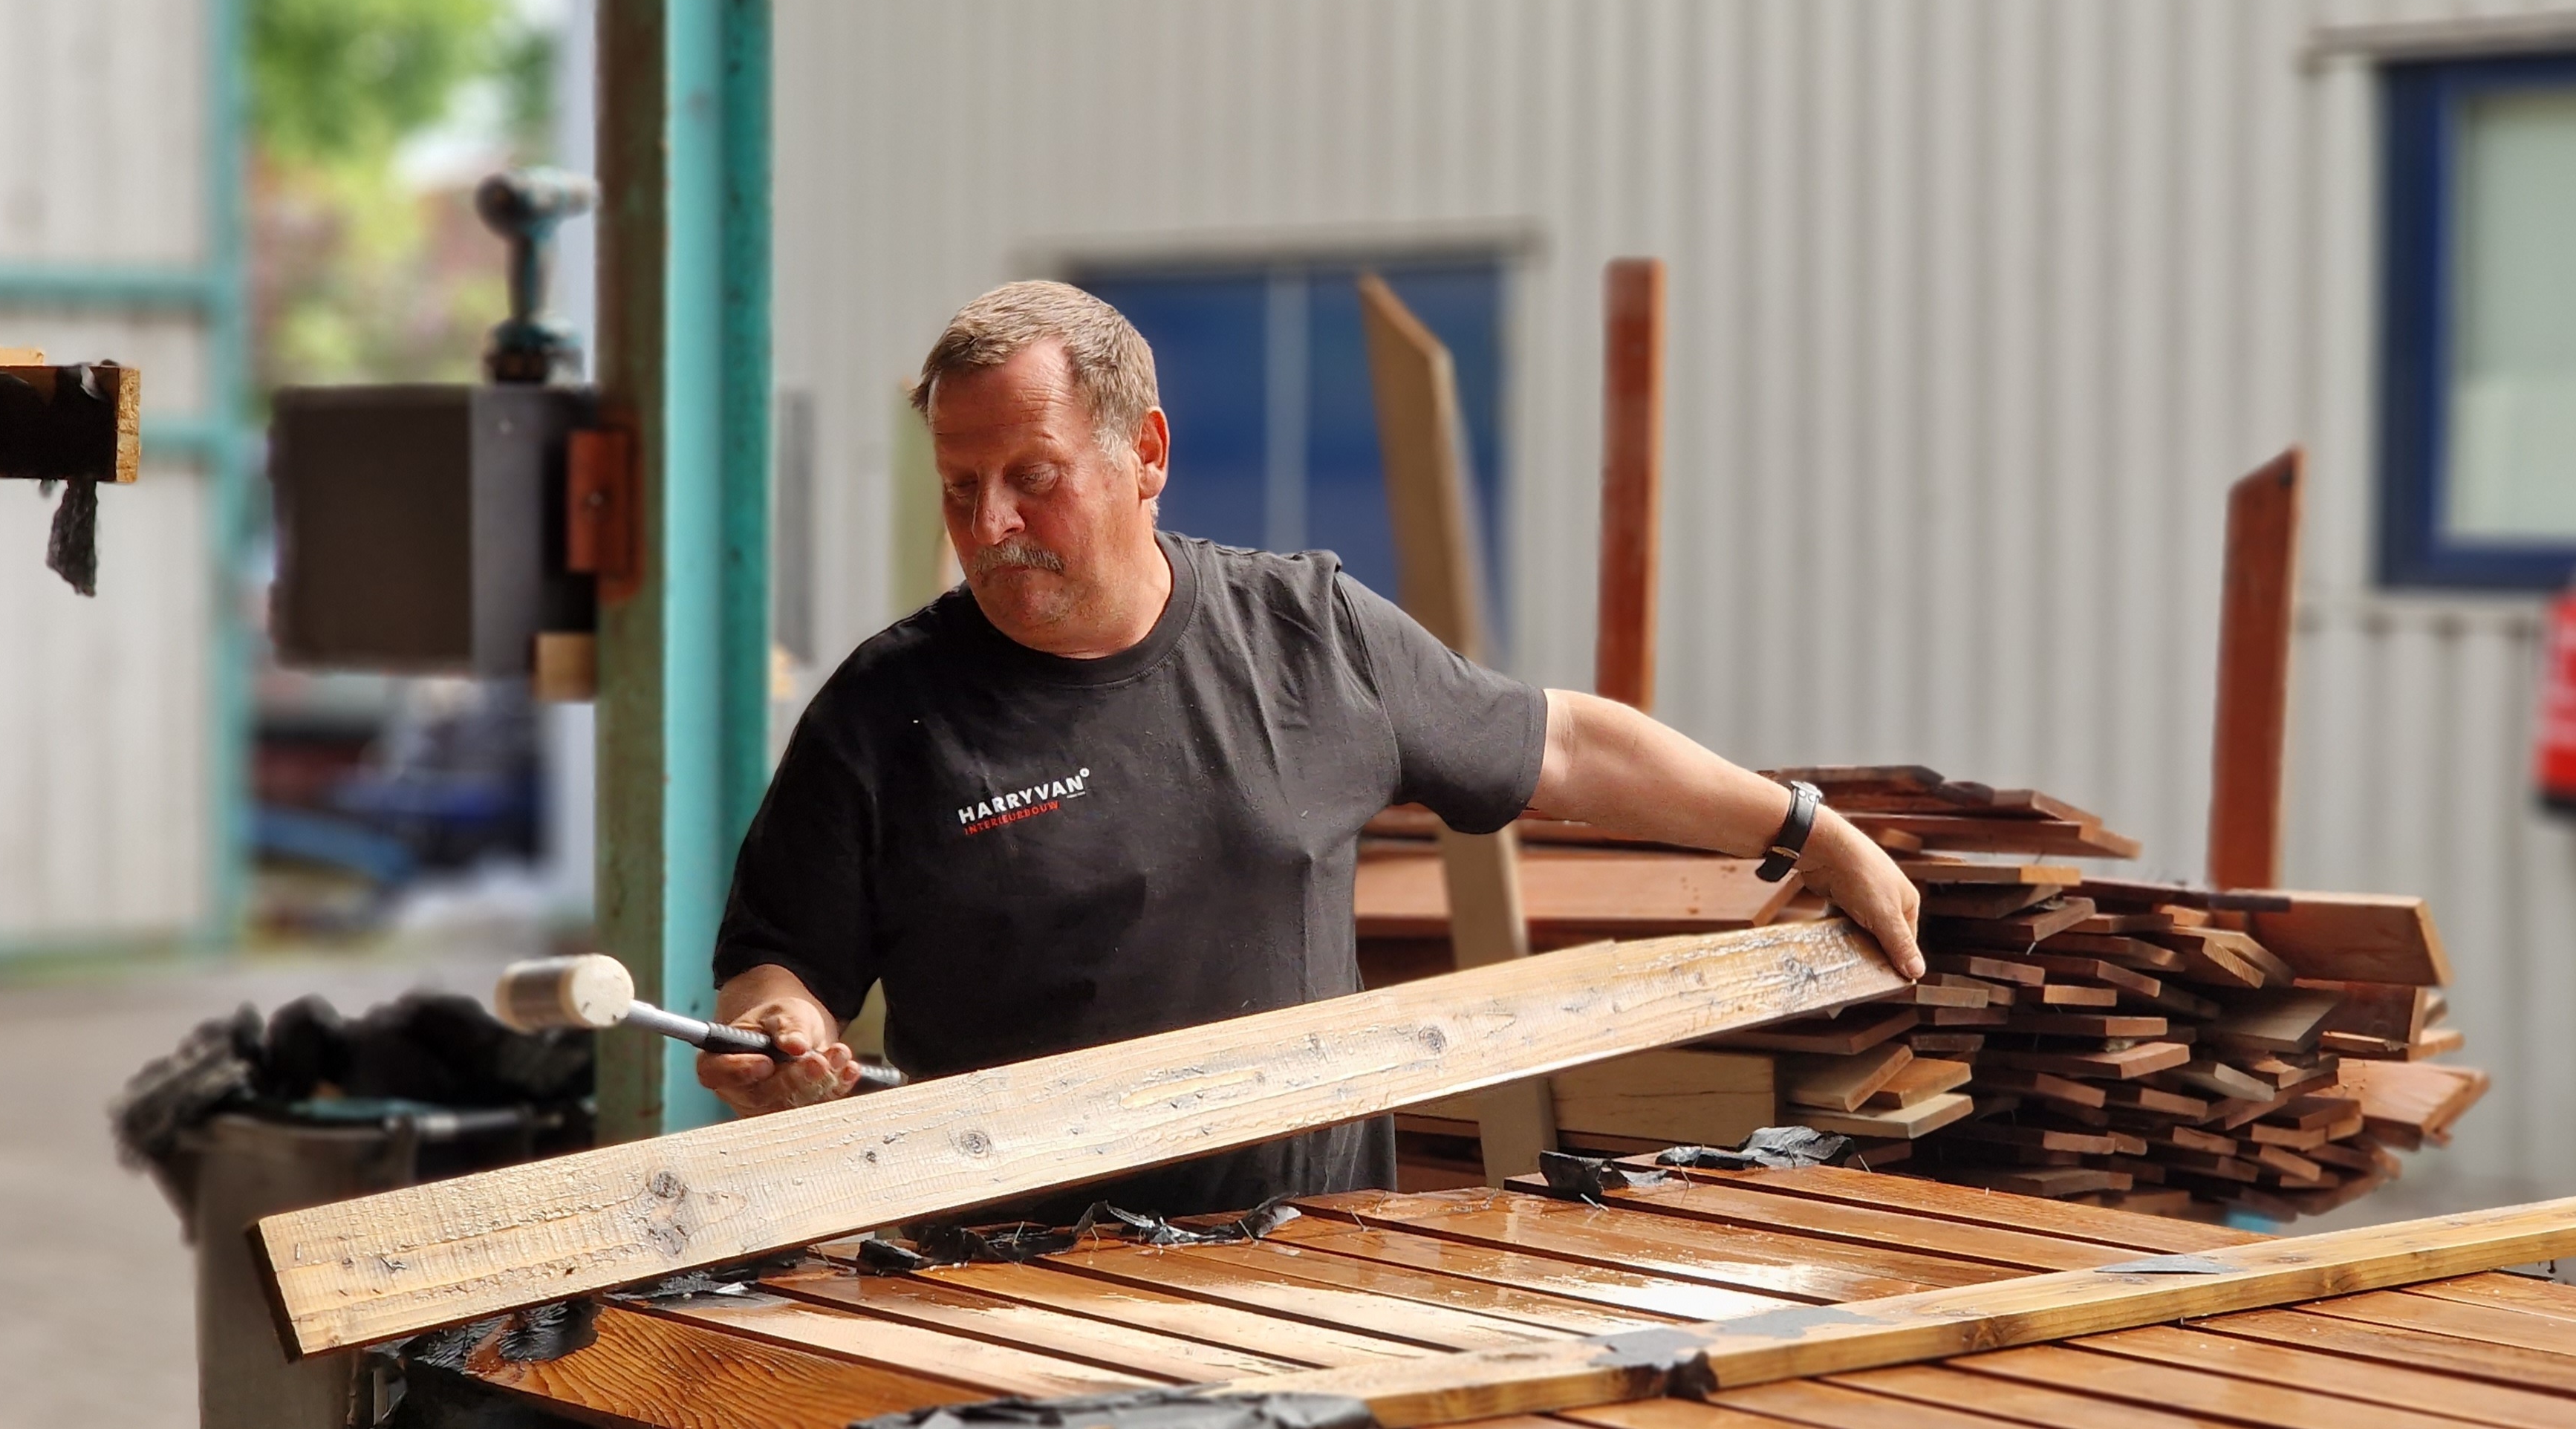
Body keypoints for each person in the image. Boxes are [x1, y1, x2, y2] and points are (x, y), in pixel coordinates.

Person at [700, 281, 1922, 1219]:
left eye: (1033, 478)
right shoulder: (884, 710)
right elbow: (774, 974)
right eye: (959, 488)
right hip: (1006, 1303)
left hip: (1312, 1272)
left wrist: (1810, 829)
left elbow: (1565, 747)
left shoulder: (1308, 636)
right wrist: (777, 1037)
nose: (991, 524)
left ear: (1149, 457)